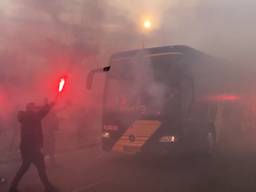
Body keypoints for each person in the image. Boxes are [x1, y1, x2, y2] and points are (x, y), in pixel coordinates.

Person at [9, 101, 58, 192]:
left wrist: (48, 105)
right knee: (39, 167)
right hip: (32, 147)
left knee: (27, 166)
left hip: (26, 146)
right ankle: (48, 187)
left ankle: (13, 186)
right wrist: (49, 105)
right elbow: (42, 112)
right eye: (34, 107)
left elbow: (41, 112)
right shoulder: (31, 116)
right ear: (30, 108)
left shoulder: (25, 116)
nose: (36, 108)